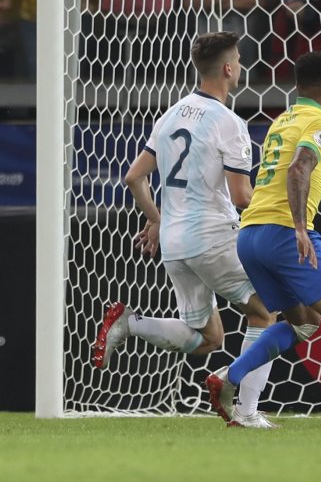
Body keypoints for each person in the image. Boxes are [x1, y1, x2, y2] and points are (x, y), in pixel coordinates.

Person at [90, 32, 278, 428]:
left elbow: (133, 178)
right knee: (265, 312)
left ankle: (130, 323)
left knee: (207, 337)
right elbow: (242, 196)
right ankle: (245, 411)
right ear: (228, 69)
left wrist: (158, 220)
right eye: (239, 60)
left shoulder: (170, 114)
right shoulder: (230, 123)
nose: (240, 67)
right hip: (212, 236)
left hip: (175, 242)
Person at [207, 50, 321, 429]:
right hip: (283, 231)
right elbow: (300, 166)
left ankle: (229, 377)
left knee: (304, 322)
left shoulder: (281, 120)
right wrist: (300, 228)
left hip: (251, 235)